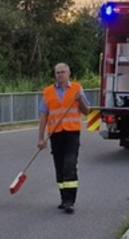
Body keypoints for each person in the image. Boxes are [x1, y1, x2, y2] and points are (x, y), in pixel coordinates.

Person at [37, 62, 90, 214]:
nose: (60, 75)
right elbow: (43, 116)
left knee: (70, 165)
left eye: (62, 72)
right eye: (57, 73)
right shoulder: (48, 92)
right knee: (59, 166)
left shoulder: (77, 89)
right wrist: (40, 138)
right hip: (55, 134)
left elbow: (87, 111)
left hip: (72, 133)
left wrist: (80, 100)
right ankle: (63, 198)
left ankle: (70, 201)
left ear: (68, 73)